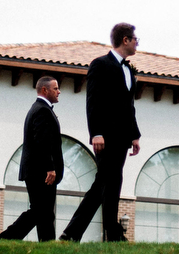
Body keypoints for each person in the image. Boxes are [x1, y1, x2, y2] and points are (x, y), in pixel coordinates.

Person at [61, 23, 142, 242]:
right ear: (125, 40)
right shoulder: (100, 64)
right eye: (136, 39)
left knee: (105, 182)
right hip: (105, 137)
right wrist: (96, 133)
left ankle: (72, 233)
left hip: (123, 137)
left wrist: (135, 135)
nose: (137, 43)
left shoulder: (129, 70)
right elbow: (93, 101)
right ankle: (112, 233)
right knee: (110, 180)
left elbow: (129, 106)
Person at [0, 76, 64, 241]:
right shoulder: (42, 110)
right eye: (55, 88)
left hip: (37, 170)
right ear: (44, 90)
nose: (59, 91)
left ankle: (47, 244)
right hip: (40, 171)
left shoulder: (39, 109)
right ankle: (7, 237)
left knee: (45, 212)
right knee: (40, 210)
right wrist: (50, 167)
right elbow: (42, 141)